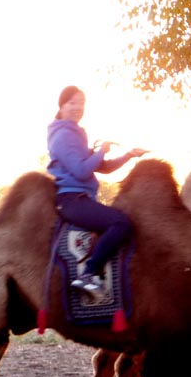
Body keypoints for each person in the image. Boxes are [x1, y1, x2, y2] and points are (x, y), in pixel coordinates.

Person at [47, 85, 146, 300]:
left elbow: (103, 167)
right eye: (72, 102)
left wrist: (129, 155)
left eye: (81, 103)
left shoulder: (76, 135)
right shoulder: (62, 136)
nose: (78, 107)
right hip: (71, 200)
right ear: (62, 106)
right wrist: (100, 150)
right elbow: (81, 171)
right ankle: (89, 273)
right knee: (121, 223)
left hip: (81, 198)